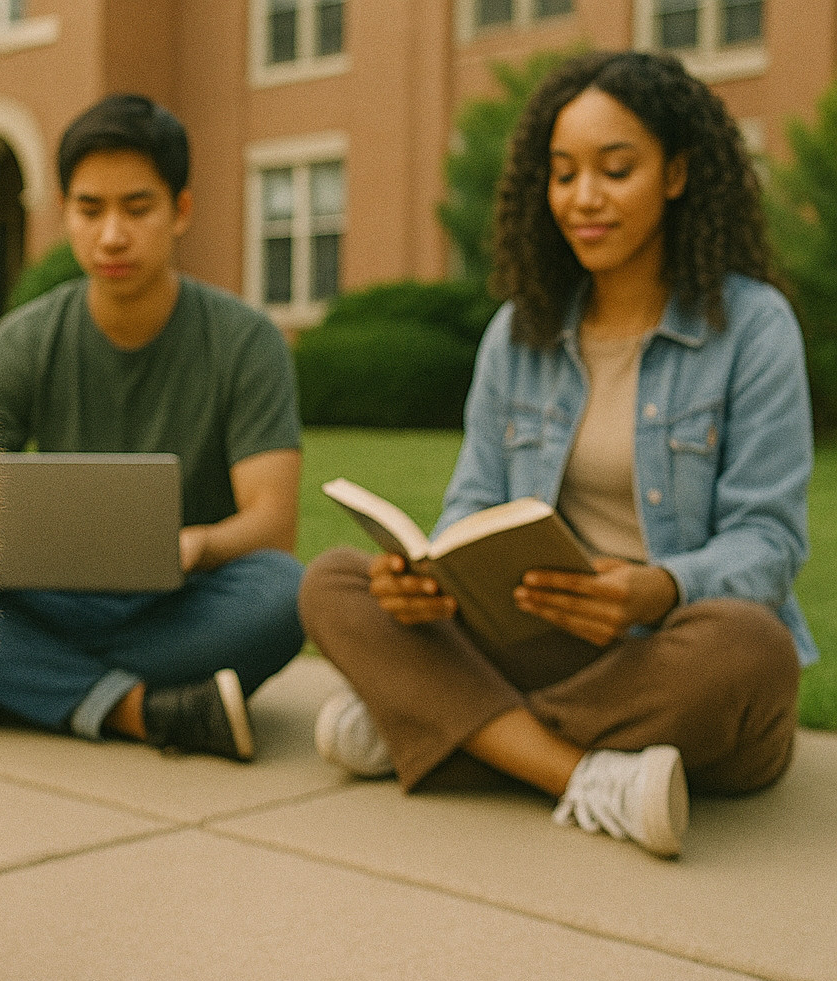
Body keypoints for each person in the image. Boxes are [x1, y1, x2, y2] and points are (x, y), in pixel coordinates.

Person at [299, 50, 815, 857]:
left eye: (615, 171)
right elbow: (474, 501)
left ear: (677, 174)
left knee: (753, 652)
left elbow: (770, 545)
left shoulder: (752, 328)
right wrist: (429, 581)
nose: (583, 199)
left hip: (670, 651)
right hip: (538, 639)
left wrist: (657, 589)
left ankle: (441, 723)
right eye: (564, 174)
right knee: (333, 582)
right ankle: (583, 776)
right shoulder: (522, 330)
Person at [0, 94, 306, 762]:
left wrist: (199, 544)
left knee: (286, 593)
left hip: (181, 604)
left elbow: (273, 523)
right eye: (90, 210)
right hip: (55, 598)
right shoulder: (26, 340)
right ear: (64, 213)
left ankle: (33, 682)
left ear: (180, 210)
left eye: (137, 208)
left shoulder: (247, 342)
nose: (112, 235)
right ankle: (142, 709)